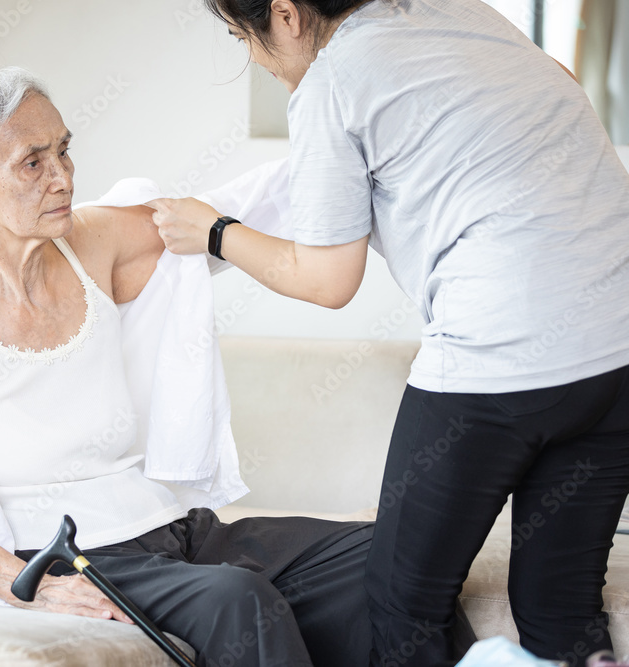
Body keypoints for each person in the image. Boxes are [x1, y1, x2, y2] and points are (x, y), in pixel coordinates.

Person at [148, 1, 629, 666]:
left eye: (242, 36)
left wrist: (215, 231)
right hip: (617, 349)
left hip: (499, 359)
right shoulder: (458, 12)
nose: (253, 58)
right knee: (561, 601)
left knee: (403, 605)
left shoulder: (334, 81)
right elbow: (559, 88)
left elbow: (327, 280)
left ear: (284, 14)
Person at [0, 66, 379, 667]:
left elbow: (230, 209)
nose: (63, 178)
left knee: (378, 554)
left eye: (64, 151)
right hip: (67, 552)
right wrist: (26, 585)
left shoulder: (93, 240)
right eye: (33, 162)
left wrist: (357, 133)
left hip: (173, 528)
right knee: (239, 599)